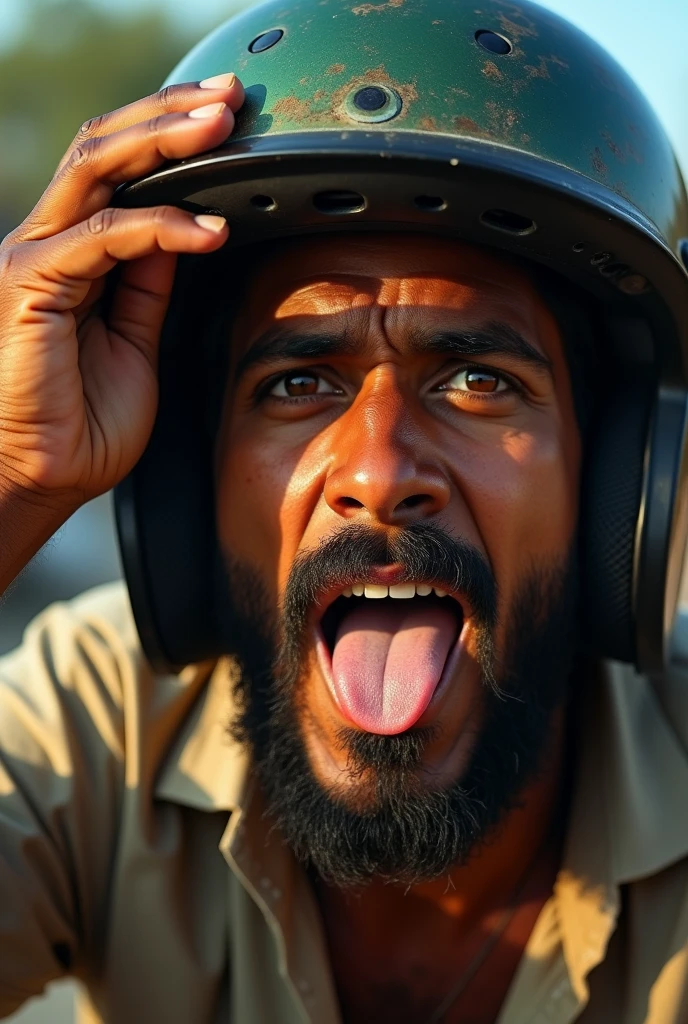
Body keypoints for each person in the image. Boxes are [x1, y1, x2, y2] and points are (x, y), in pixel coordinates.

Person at [1, 0, 688, 1021]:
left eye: (474, 381)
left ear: (614, 483)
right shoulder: (94, 723)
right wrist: (10, 480)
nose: (377, 470)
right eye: (297, 385)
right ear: (194, 481)